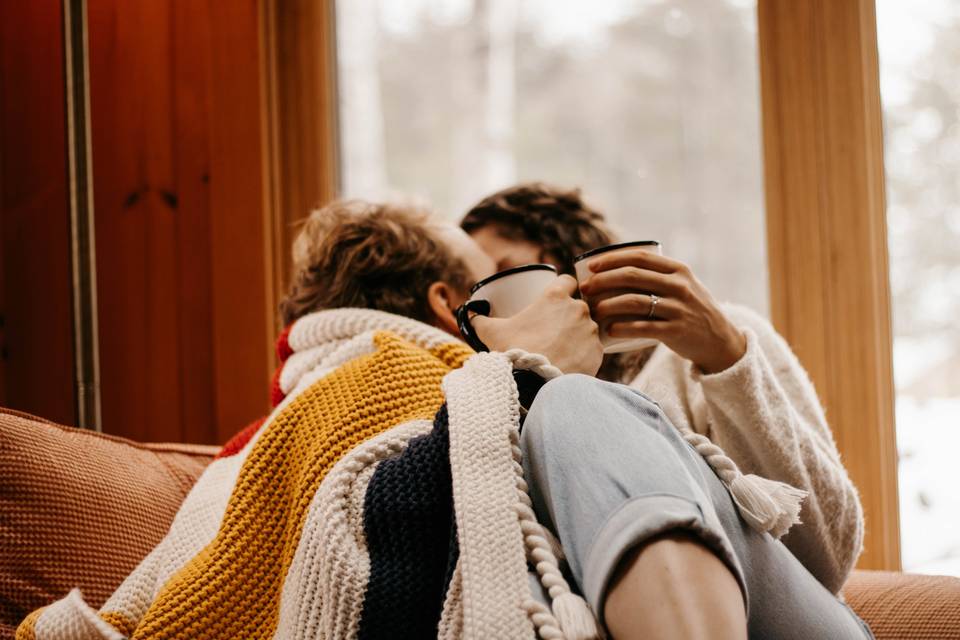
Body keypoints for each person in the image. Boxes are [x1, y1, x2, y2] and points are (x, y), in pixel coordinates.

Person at [461, 182, 869, 620]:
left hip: (788, 619)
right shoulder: (489, 403)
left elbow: (829, 556)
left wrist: (726, 358)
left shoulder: (708, 347)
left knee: (572, 398)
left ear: (569, 263)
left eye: (505, 272)